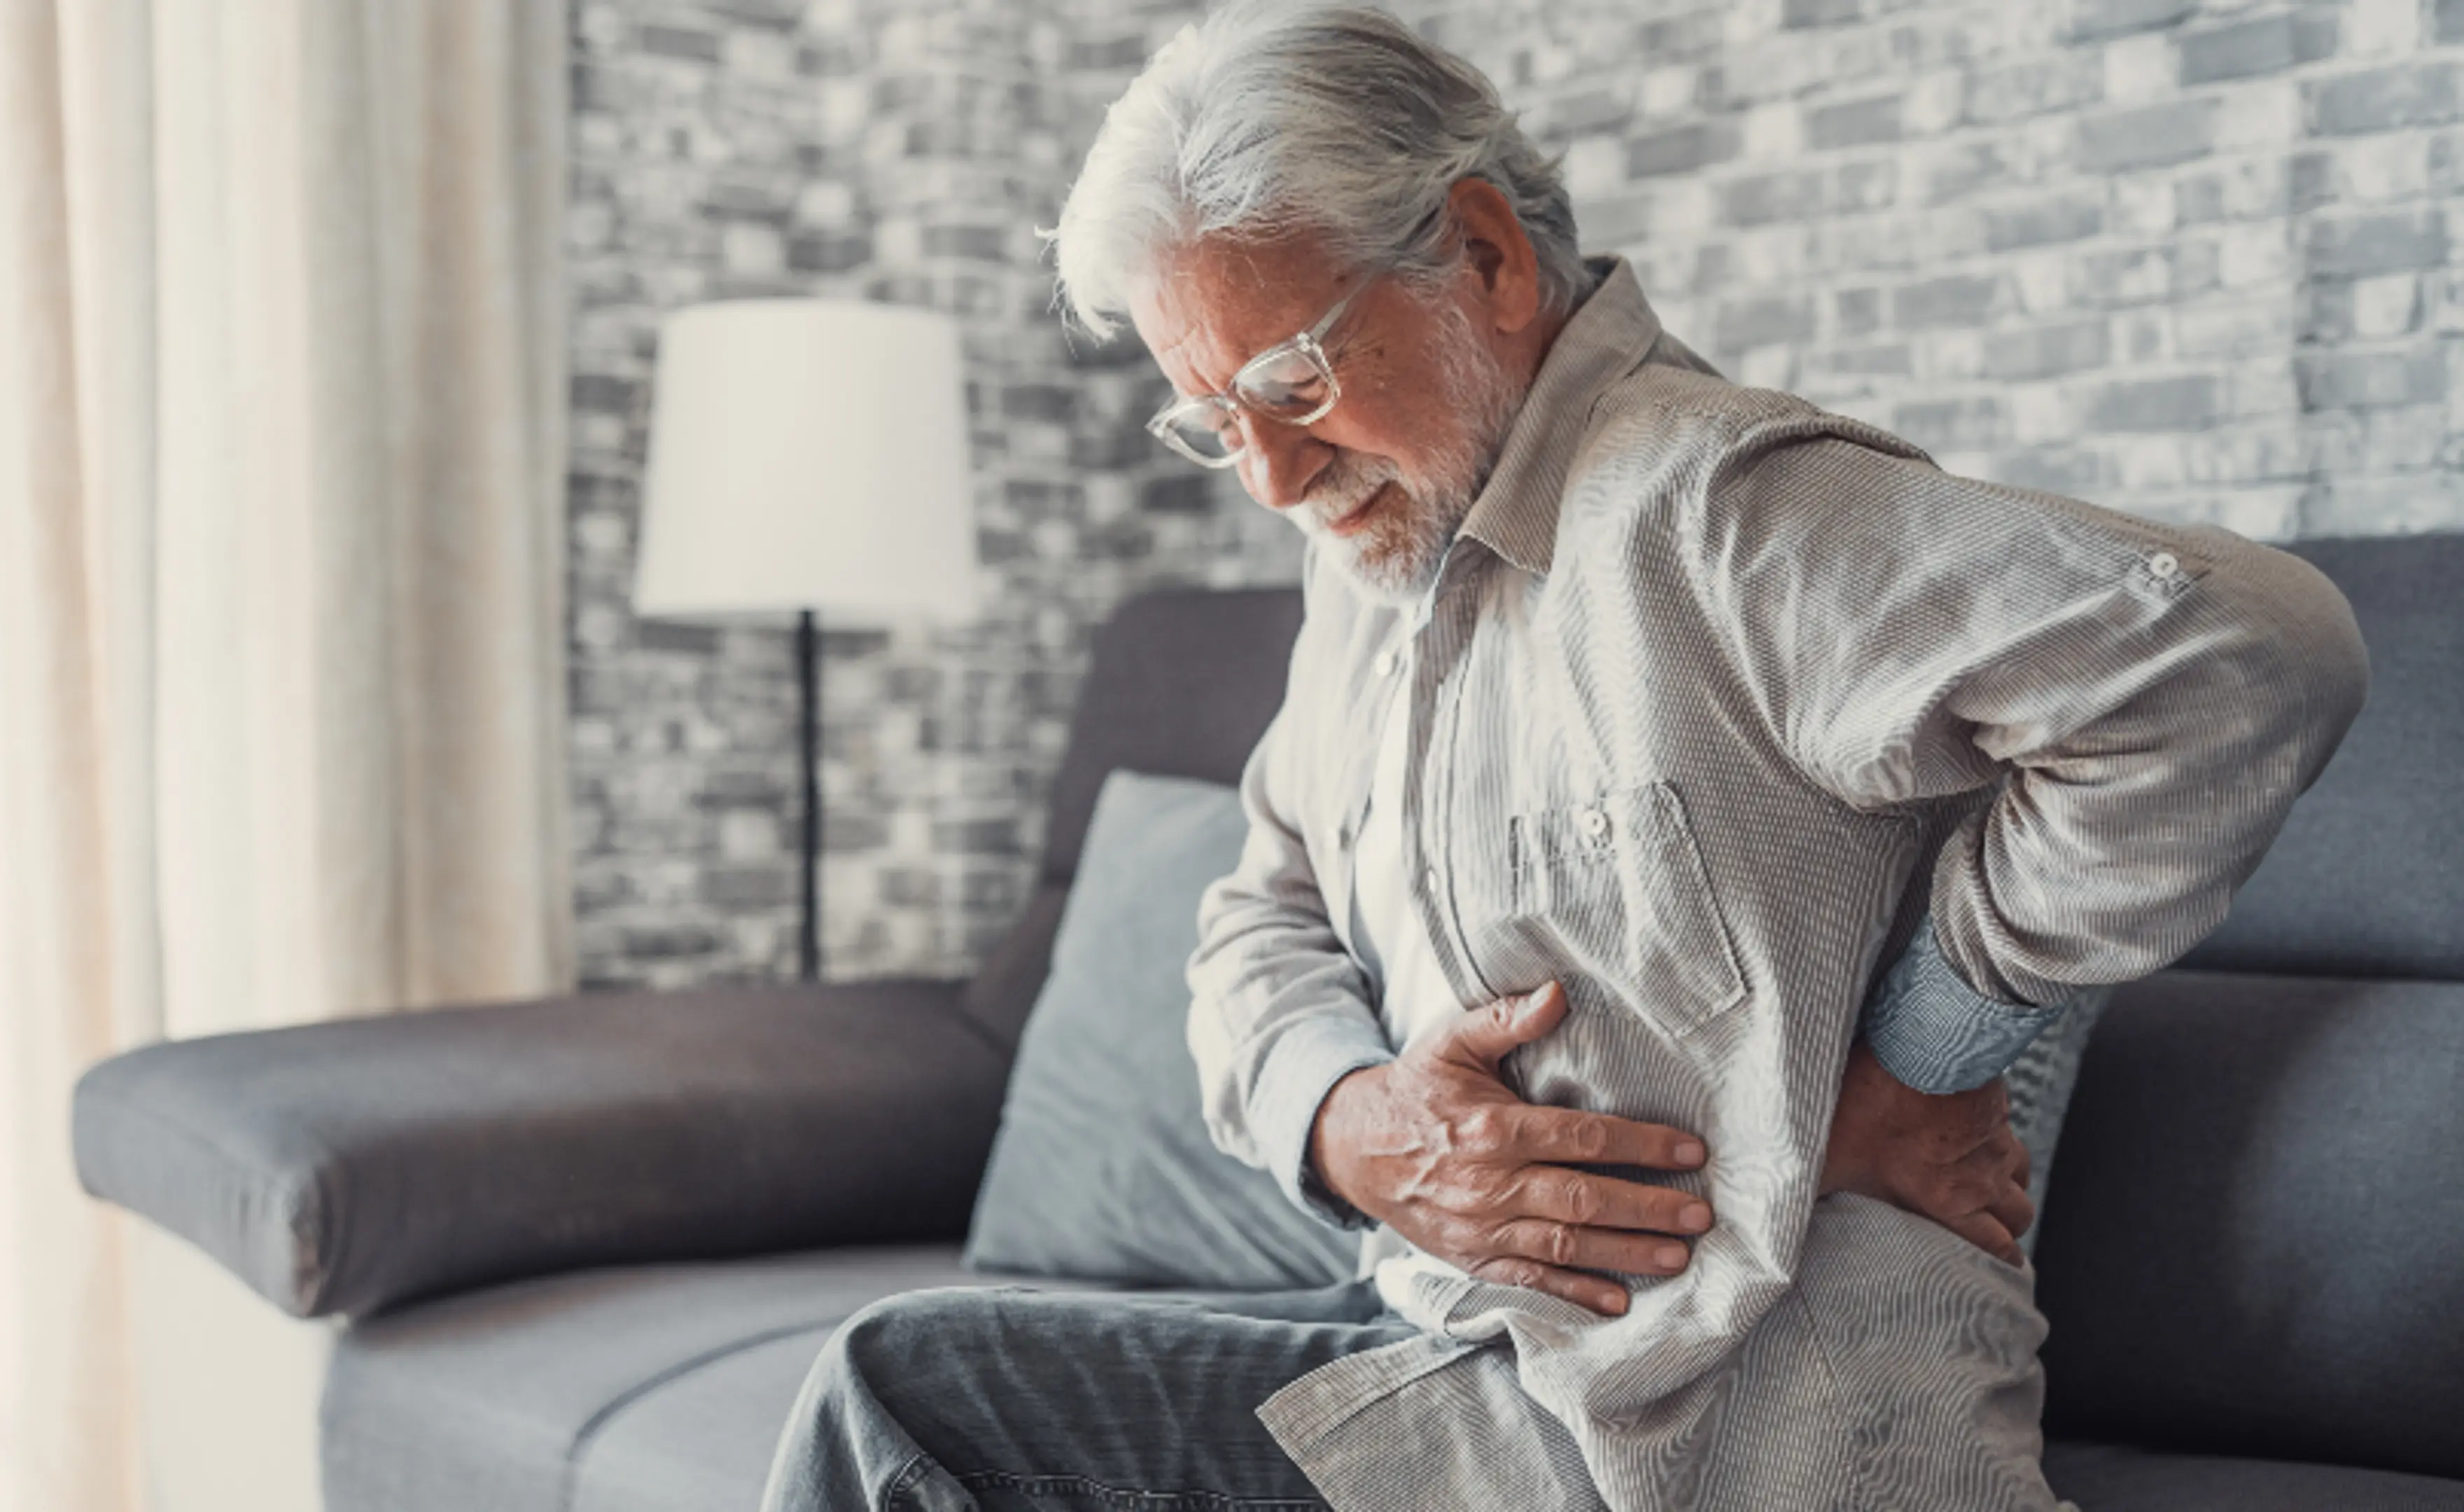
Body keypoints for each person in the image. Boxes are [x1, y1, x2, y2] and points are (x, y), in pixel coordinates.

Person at [762, 5, 2367, 1508]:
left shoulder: (1722, 514)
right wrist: (1346, 1117)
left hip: (1721, 1432)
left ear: (1482, 256)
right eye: (1207, 417)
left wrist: (1924, 1052)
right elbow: (1263, 908)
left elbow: (2248, 655)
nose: (1263, 471)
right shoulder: (1374, 558)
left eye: (1292, 382)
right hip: (1436, 1381)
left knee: (906, 1390)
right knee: (914, 1402)